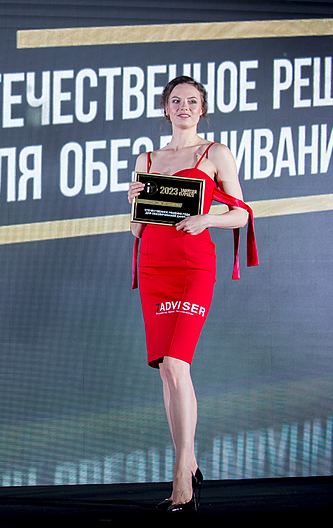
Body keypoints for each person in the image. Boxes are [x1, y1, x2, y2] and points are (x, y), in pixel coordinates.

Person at [127, 76, 256, 512]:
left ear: (202, 109)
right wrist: (133, 201)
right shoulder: (147, 159)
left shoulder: (215, 153)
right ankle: (191, 463)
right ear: (165, 108)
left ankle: (183, 471)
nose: (184, 106)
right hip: (154, 266)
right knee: (166, 369)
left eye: (192, 101)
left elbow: (241, 214)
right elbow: (137, 228)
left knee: (178, 363)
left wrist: (208, 219)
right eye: (176, 100)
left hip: (193, 266)